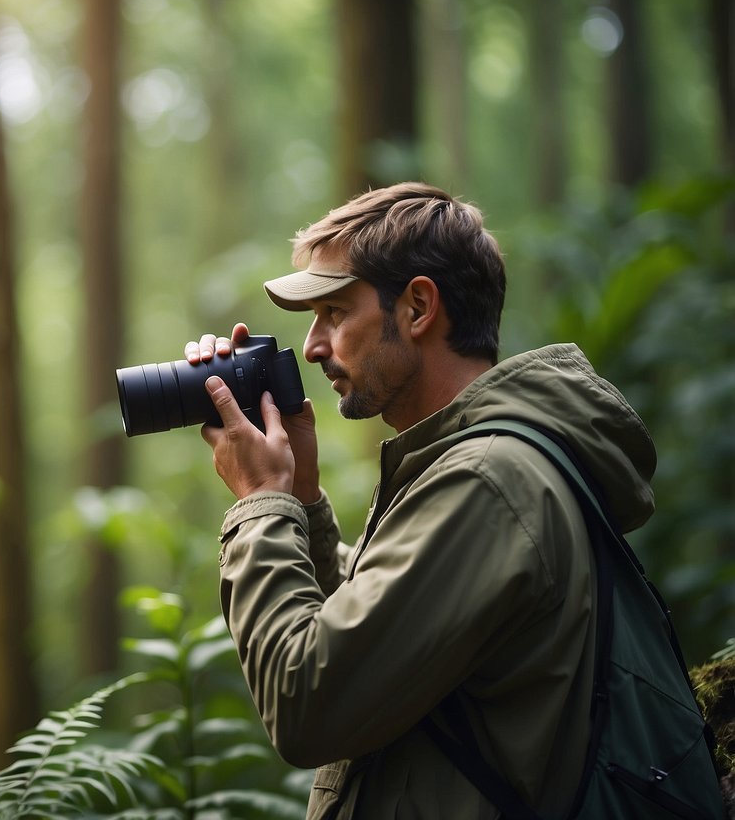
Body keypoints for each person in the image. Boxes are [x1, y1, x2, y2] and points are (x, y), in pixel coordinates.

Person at [185, 182, 657, 818]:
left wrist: (260, 503)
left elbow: (305, 703)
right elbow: (376, 638)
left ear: (417, 308)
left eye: (335, 312)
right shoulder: (482, 469)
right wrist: (300, 494)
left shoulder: (489, 482)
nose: (314, 345)